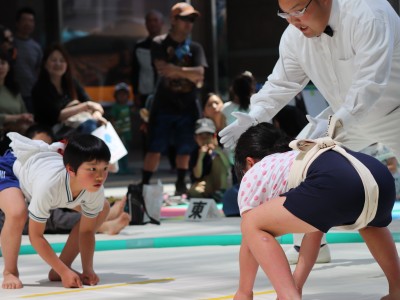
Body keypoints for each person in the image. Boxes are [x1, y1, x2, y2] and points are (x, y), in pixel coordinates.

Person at [220, 0, 400, 266]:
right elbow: (283, 82)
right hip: (342, 116)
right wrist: (254, 115)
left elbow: (370, 81)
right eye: (285, 13)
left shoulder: (369, 13)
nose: (293, 20)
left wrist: (339, 120)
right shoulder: (293, 37)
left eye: (299, 10)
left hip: (393, 110)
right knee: (298, 164)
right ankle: (307, 247)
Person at [233, 122, 400, 300]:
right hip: (378, 176)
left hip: (335, 183)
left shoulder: (254, 174)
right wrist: (296, 286)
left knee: (251, 223)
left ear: (249, 163)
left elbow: (250, 239)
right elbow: (314, 232)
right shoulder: (300, 157)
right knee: (370, 224)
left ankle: (285, 296)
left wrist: (244, 292)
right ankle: (398, 289)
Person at [3, 132, 111, 288]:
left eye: (105, 168)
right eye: (93, 169)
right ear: (71, 170)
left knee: (102, 207)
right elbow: (36, 236)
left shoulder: (95, 188)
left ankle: (61, 267)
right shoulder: (49, 185)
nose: (100, 177)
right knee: (17, 212)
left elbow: (87, 232)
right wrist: (65, 273)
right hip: (12, 167)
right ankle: (10, 272)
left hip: (41, 173)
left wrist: (88, 269)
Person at [141, 2, 208, 196]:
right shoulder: (159, 42)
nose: (189, 23)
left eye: (192, 20)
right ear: (173, 19)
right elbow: (163, 70)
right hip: (164, 104)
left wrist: (177, 70)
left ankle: (181, 182)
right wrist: (189, 73)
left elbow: (200, 74)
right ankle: (144, 184)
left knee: (185, 147)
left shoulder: (195, 47)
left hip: (188, 104)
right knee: (155, 146)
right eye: (185, 19)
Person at [32, 43, 106, 140]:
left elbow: (93, 104)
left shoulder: (72, 82)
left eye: (62, 60)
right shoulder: (40, 88)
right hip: (52, 133)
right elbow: (57, 116)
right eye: (53, 60)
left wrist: (97, 115)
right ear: (45, 63)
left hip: (77, 126)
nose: (58, 64)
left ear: (67, 64)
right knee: (90, 127)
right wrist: (86, 106)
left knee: (97, 125)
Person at [0, 49, 34, 154]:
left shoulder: (13, 89)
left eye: (3, 63)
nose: (0, 67)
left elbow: (24, 111)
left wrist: (27, 118)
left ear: (9, 66)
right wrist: (17, 117)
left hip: (20, 134)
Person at [188, 118, 230, 202]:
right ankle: (211, 196)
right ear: (195, 138)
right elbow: (197, 175)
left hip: (221, 182)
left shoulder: (220, 150)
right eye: (201, 135)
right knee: (194, 192)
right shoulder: (195, 153)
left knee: (217, 159)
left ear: (214, 136)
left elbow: (227, 167)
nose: (205, 138)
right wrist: (200, 156)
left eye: (208, 135)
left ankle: (221, 191)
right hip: (204, 183)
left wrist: (218, 152)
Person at [132, 9, 164, 109]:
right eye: (149, 21)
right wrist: (135, 93)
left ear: (161, 23)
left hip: (165, 94)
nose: (152, 23)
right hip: (145, 94)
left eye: (155, 20)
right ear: (146, 24)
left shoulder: (169, 45)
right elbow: (135, 70)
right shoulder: (139, 46)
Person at [13, 7, 43, 112]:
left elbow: (39, 70)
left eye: (31, 21)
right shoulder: (9, 44)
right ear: (17, 23)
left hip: (31, 94)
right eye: (24, 20)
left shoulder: (36, 47)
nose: (28, 24)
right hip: (12, 93)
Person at [110, 82, 133, 174]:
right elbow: (112, 119)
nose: (122, 96)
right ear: (116, 96)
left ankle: (125, 167)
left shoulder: (127, 106)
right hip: (119, 134)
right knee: (120, 152)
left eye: (124, 94)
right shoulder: (115, 107)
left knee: (126, 151)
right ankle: (121, 169)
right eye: (120, 94)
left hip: (127, 133)